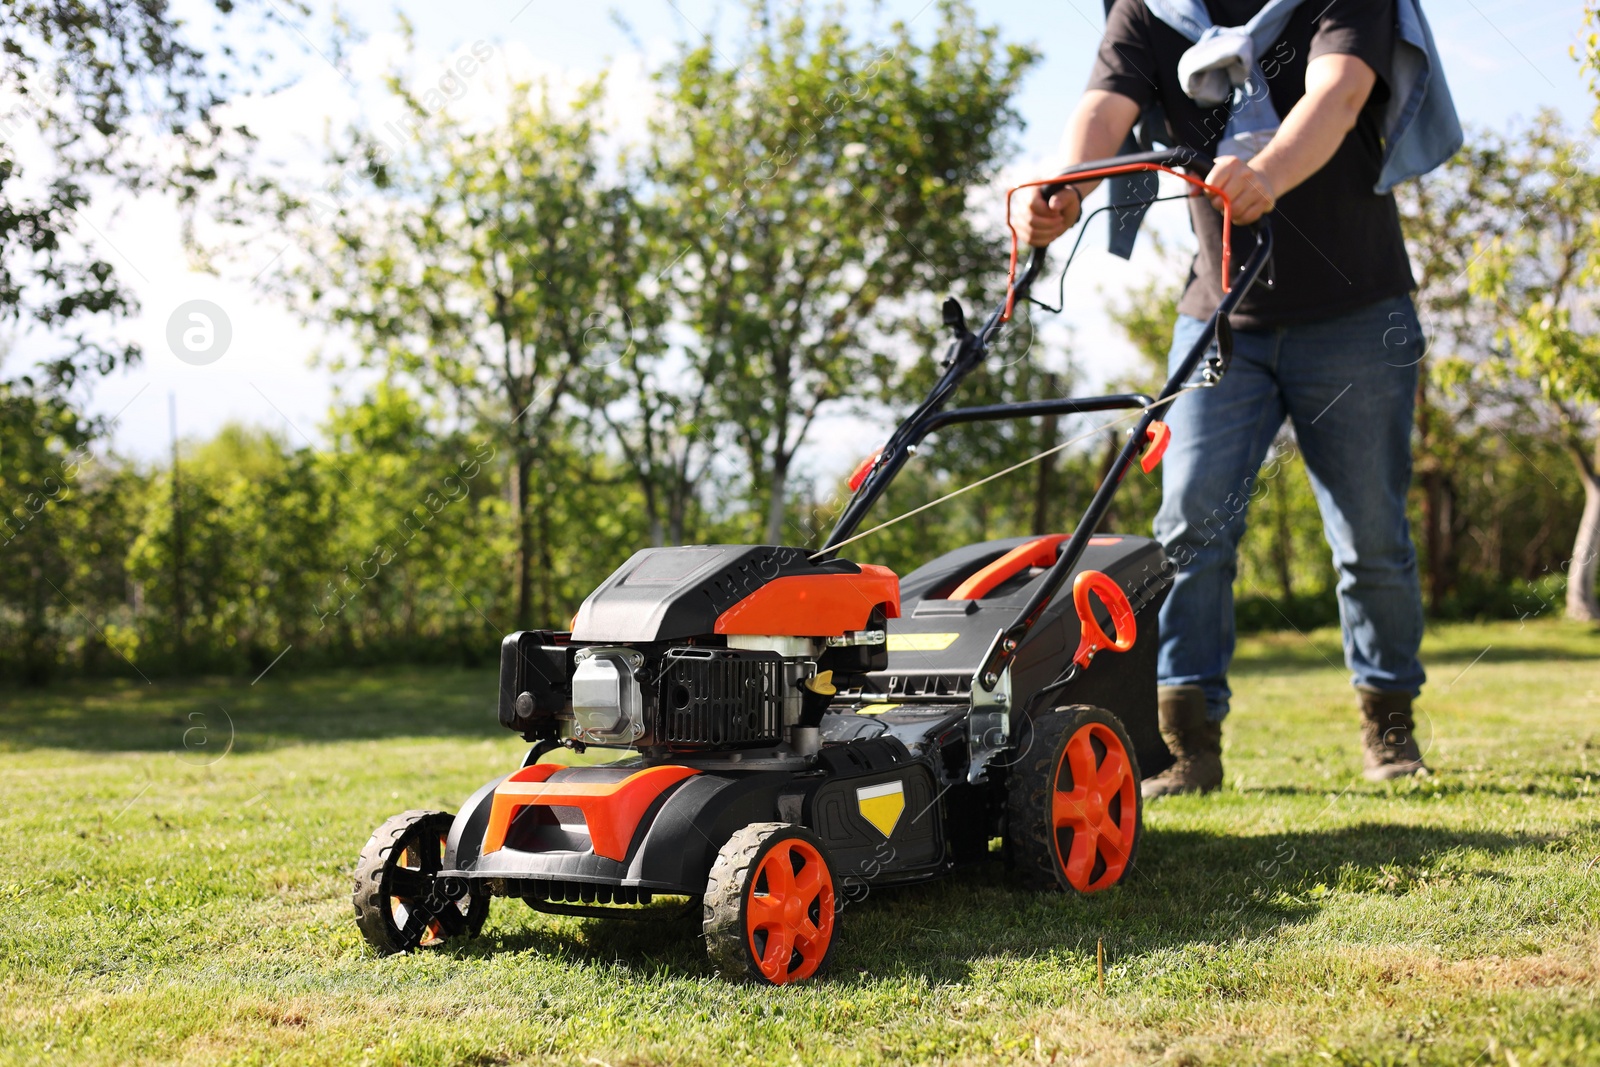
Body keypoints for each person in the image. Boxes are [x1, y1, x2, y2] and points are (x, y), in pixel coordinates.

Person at [1019, 0, 1438, 796]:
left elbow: (1340, 91)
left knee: (1371, 535)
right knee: (1188, 525)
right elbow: (1103, 103)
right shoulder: (1155, 8)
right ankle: (1186, 743)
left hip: (1357, 309)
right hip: (1220, 315)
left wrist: (1268, 172)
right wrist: (1068, 185)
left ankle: (1390, 723)